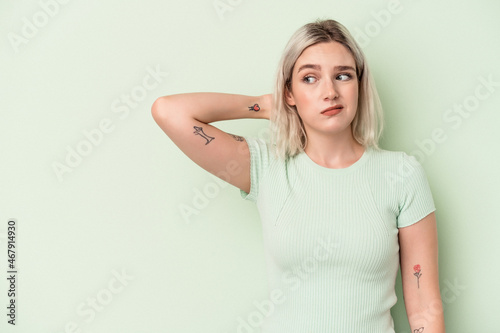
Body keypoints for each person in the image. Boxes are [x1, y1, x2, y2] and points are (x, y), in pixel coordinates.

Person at [151, 19, 445, 333]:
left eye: (343, 76)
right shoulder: (266, 166)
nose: (330, 92)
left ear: (359, 84)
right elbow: (169, 111)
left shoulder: (401, 173)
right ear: (289, 93)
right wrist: (266, 104)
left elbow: (425, 308)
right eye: (310, 78)